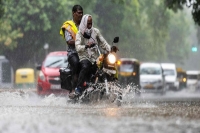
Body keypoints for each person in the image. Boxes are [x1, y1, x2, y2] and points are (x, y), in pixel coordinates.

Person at [70, 14, 111, 98]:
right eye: (88, 23)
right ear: (84, 23)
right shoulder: (79, 34)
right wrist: (86, 46)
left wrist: (110, 49)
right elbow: (77, 47)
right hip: (85, 57)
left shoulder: (96, 31)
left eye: (91, 23)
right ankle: (78, 88)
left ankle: (105, 85)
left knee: (104, 67)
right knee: (85, 66)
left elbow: (103, 42)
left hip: (95, 57)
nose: (90, 25)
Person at [60, 5, 83, 92]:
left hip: (85, 52)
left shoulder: (85, 25)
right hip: (73, 53)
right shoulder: (68, 26)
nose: (80, 15)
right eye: (78, 13)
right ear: (73, 13)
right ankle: (74, 89)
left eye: (82, 13)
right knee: (76, 63)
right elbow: (69, 41)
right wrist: (81, 43)